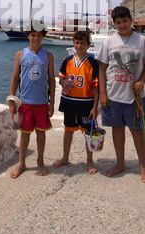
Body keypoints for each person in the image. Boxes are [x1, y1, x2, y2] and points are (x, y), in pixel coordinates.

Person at [98, 6, 145, 183]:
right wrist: (102, 94)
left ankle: (142, 166)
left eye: (124, 21)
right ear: (114, 24)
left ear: (131, 20)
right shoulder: (109, 42)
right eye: (118, 22)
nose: (122, 25)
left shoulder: (141, 41)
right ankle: (120, 163)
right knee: (117, 129)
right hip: (113, 95)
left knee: (137, 131)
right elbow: (102, 67)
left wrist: (141, 81)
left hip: (134, 97)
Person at [9, 19, 55, 178]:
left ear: (43, 37)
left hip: (42, 103)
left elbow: (51, 81)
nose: (36, 38)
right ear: (28, 36)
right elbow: (15, 78)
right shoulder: (20, 54)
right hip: (25, 102)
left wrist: (52, 103)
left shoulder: (48, 55)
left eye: (39, 35)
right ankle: (21, 163)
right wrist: (12, 100)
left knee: (41, 133)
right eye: (33, 35)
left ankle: (40, 162)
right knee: (25, 134)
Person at [53, 29, 99, 174]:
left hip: (86, 103)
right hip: (70, 102)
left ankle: (89, 161)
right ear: (73, 43)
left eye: (82, 43)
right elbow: (61, 78)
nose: (79, 46)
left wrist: (95, 106)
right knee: (68, 131)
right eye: (77, 43)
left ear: (88, 45)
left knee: (88, 132)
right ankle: (65, 157)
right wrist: (63, 82)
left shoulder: (93, 63)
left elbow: (96, 86)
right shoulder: (67, 61)